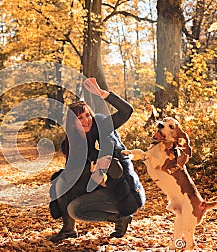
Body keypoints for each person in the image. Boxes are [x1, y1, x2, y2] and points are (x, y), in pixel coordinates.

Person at [49, 78, 146, 243]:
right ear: (72, 124)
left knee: (76, 208)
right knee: (62, 182)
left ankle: (121, 217)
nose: (86, 120)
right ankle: (68, 230)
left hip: (121, 188)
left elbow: (126, 111)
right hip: (97, 184)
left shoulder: (102, 125)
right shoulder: (70, 144)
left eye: (87, 115)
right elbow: (73, 175)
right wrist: (92, 171)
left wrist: (103, 94)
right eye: (80, 118)